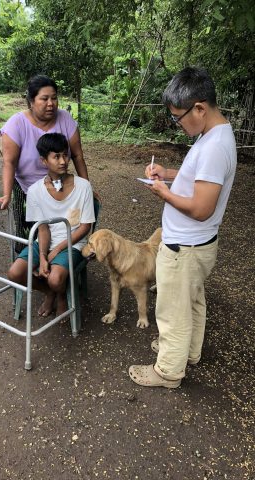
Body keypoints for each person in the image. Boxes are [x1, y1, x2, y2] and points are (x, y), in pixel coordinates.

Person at [129, 67, 237, 389]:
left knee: (172, 310)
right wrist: (168, 172)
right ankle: (188, 352)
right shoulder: (214, 134)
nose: (177, 123)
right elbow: (198, 177)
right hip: (198, 245)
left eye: (178, 117)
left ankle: (167, 371)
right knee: (191, 302)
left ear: (200, 108)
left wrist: (164, 192)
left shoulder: (215, 146)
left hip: (185, 247)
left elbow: (202, 209)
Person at [7, 132, 95, 317]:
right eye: (56, 156)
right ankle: (49, 292)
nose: (63, 161)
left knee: (55, 279)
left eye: (65, 155)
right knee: (15, 273)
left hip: (73, 243)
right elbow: (43, 228)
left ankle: (60, 294)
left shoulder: (83, 186)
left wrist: (57, 251)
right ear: (44, 161)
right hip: (44, 242)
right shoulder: (35, 191)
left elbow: (85, 227)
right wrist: (44, 256)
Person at [0, 74, 89, 210]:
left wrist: (86, 187)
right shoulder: (16, 124)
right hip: (26, 188)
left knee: (63, 226)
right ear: (32, 101)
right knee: (29, 229)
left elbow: (77, 156)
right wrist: (7, 195)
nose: (51, 103)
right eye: (44, 99)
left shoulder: (65, 119)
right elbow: (9, 162)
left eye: (54, 98)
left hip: (59, 184)